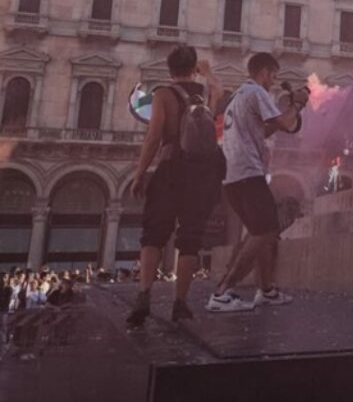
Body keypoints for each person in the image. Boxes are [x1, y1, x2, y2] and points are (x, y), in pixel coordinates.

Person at [125, 45, 224, 328]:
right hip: (201, 174)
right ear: (193, 69)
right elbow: (219, 91)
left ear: (170, 71)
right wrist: (208, 73)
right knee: (191, 237)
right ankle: (180, 303)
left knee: (154, 233)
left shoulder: (164, 95)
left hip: (170, 169)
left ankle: (144, 295)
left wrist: (140, 173)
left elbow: (154, 136)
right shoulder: (204, 94)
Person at [207, 53, 308, 313]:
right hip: (248, 171)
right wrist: (297, 104)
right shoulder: (256, 92)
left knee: (262, 231)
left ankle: (266, 291)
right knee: (266, 230)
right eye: (273, 76)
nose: (273, 81)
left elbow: (264, 130)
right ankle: (222, 292)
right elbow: (285, 122)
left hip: (234, 175)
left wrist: (291, 111)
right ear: (263, 72)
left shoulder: (238, 97)